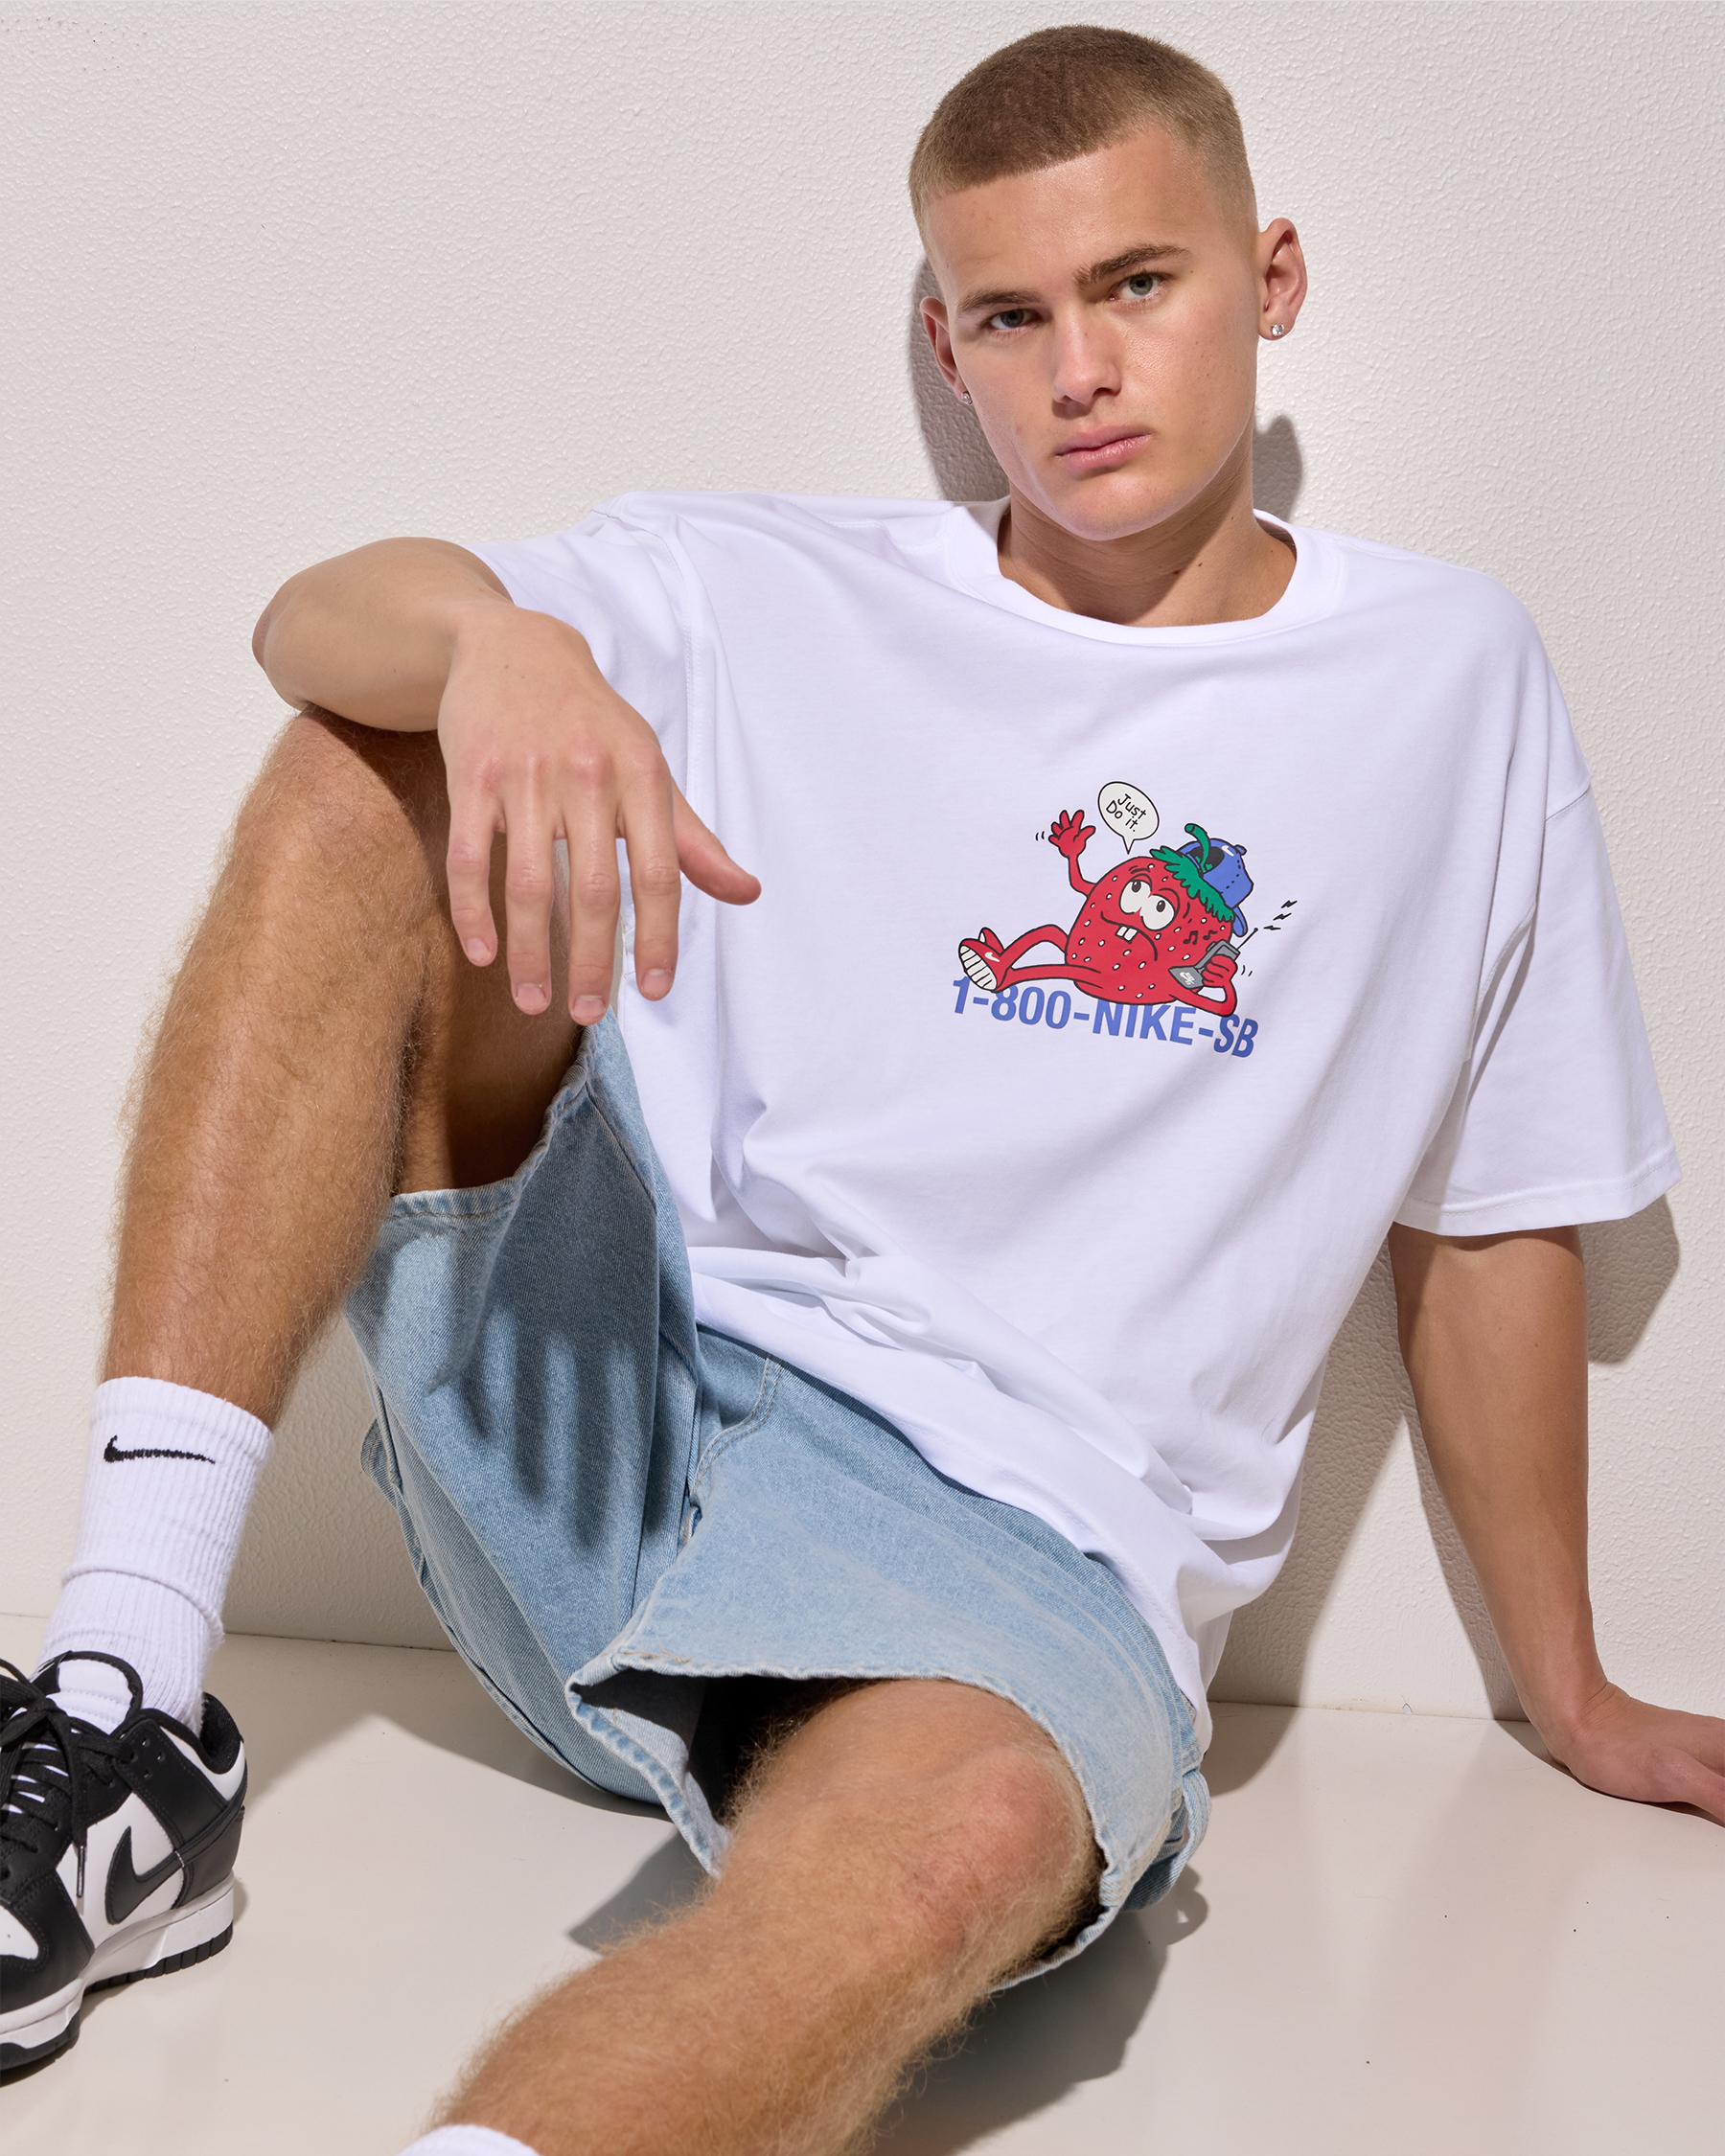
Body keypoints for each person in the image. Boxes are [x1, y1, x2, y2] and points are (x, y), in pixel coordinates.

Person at [4, 20, 1717, 2152]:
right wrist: (500, 645)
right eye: (1012, 315)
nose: (1080, 368)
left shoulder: (1449, 679)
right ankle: (124, 1700)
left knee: (961, 1843)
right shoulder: (766, 589)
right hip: (614, 1406)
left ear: (1269, 279)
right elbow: (310, 617)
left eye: (1137, 284)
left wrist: (1567, 1687)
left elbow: (1493, 1206)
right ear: (944, 343)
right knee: (380, 748)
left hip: (1008, 1564)